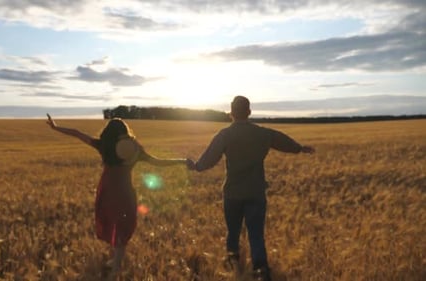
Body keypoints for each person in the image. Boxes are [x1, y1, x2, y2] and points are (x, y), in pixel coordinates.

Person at [186, 96, 315, 281]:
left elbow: (209, 159)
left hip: (233, 193)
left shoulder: (225, 135)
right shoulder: (262, 133)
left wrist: (196, 166)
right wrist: (299, 148)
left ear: (231, 113)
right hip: (256, 192)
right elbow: (282, 141)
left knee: (233, 231)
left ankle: (233, 262)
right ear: (249, 112)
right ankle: (262, 271)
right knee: (256, 234)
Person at [46, 114, 188, 280]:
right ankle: (116, 266)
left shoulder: (104, 146)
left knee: (112, 223)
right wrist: (181, 161)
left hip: (107, 190)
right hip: (125, 191)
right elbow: (158, 162)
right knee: (122, 226)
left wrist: (55, 127)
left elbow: (77, 133)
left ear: (108, 132)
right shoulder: (134, 149)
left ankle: (116, 265)